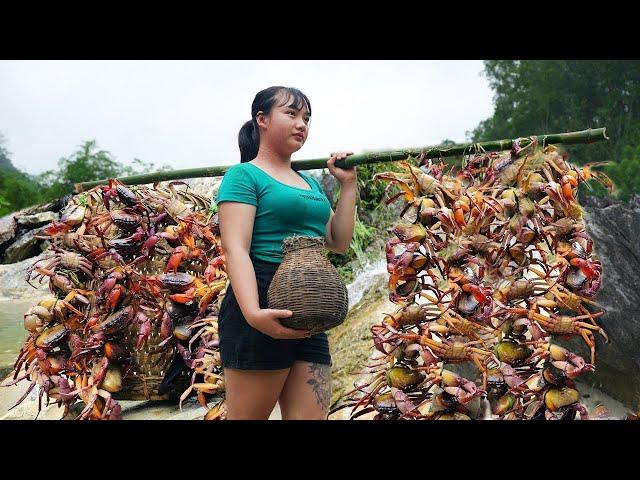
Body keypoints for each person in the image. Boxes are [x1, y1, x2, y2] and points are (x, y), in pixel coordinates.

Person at [215, 86, 357, 420]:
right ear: (261, 120)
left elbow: (338, 242)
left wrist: (347, 186)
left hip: (309, 307)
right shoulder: (244, 175)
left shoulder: (309, 183)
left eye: (306, 118)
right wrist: (253, 314)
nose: (301, 124)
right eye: (291, 114)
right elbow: (236, 248)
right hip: (260, 297)